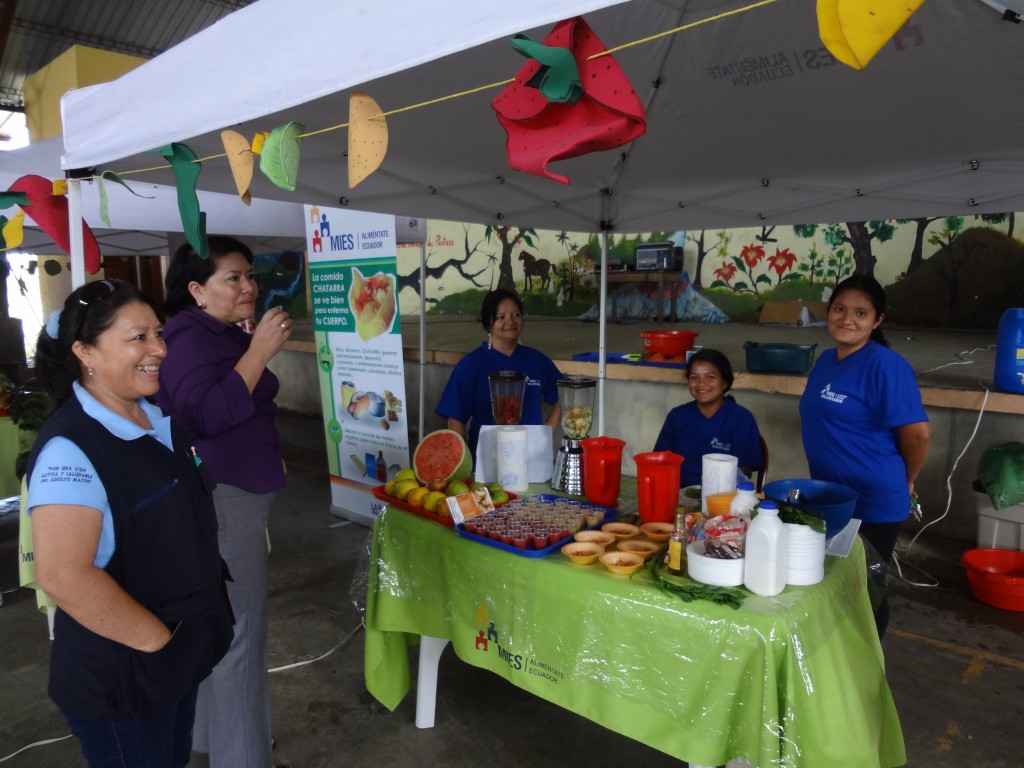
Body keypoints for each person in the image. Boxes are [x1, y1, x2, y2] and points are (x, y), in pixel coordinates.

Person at [26, 279, 233, 768]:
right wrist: (159, 644)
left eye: (158, 334)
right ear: (85, 352)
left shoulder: (155, 419)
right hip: (125, 680)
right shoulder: (70, 448)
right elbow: (63, 574)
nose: (159, 349)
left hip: (173, 660)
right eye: (138, 337)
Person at [157, 236, 291, 768]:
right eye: (232, 278)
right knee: (241, 634)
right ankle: (244, 757)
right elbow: (203, 415)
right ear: (196, 289)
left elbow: (234, 406)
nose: (248, 287)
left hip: (235, 492)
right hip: (222, 499)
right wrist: (258, 351)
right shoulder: (190, 337)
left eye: (249, 276)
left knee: (221, 626)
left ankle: (213, 740)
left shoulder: (214, 333)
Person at [799, 274, 930, 638]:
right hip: (829, 497)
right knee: (833, 584)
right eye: (839, 309)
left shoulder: (885, 366)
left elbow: (918, 434)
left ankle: (867, 670)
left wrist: (906, 480)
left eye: (861, 312)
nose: (847, 319)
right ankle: (839, 660)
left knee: (866, 591)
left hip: (873, 501)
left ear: (877, 321)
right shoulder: (826, 360)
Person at [436, 288, 561, 457]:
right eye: (501, 317)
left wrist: (546, 431)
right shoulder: (471, 364)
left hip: (531, 459)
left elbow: (563, 395)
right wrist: (464, 460)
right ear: (488, 322)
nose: (510, 321)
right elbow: (455, 417)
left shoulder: (536, 360)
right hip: (485, 461)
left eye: (516, 314)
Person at [653, 348, 763, 488]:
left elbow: (745, 471)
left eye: (710, 377)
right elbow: (660, 462)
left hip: (722, 497)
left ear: (724, 382)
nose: (701, 384)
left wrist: (710, 492)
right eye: (694, 377)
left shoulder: (741, 419)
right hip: (677, 495)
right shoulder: (677, 416)